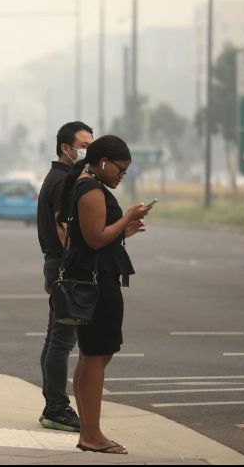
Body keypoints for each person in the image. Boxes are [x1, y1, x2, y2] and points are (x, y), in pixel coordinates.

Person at [60, 135, 149, 454]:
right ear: (103, 162)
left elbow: (91, 239)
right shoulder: (91, 190)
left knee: (92, 356)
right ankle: (92, 435)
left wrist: (124, 230)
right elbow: (96, 239)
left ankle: (89, 432)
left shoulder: (85, 184)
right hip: (97, 285)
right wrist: (124, 217)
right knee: (96, 356)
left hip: (92, 278)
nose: (122, 175)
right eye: (120, 169)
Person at [37, 121, 94, 432]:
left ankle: (53, 404)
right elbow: (64, 229)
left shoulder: (57, 177)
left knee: (54, 339)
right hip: (65, 268)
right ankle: (57, 407)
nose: (87, 152)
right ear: (66, 148)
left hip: (55, 266)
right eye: (84, 146)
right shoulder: (63, 182)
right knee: (61, 341)